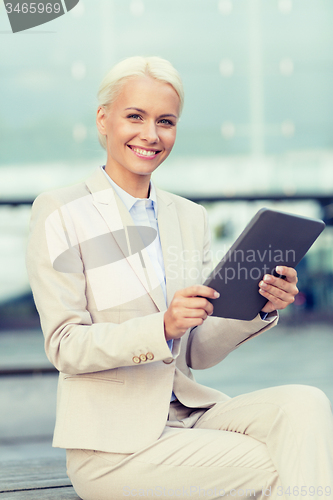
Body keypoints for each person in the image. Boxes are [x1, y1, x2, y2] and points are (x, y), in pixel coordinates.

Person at [26, 56, 333, 499]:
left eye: (165, 121)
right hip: (112, 449)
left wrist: (260, 305)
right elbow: (65, 344)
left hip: (189, 413)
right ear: (104, 119)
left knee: (307, 405)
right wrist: (162, 326)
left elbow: (199, 353)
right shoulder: (60, 211)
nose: (151, 135)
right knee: (283, 462)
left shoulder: (189, 217)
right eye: (136, 116)